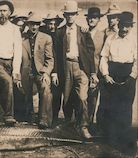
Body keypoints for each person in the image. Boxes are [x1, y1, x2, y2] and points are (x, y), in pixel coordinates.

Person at [53, 0, 98, 139]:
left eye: (73, 14)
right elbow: (55, 53)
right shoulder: (59, 32)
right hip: (66, 66)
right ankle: (69, 123)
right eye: (68, 14)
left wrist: (92, 73)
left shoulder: (83, 31)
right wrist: (54, 71)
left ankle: (83, 126)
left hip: (80, 67)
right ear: (64, 15)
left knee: (82, 97)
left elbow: (90, 53)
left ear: (76, 15)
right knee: (67, 97)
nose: (70, 17)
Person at [99, 12, 137, 156]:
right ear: (118, 25)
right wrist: (106, 74)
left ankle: (125, 141)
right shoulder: (110, 38)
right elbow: (104, 57)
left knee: (125, 108)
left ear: (131, 27)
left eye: (128, 27)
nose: (125, 29)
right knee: (110, 106)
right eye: (123, 26)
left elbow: (137, 60)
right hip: (112, 73)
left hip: (128, 74)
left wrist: (132, 76)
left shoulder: (134, 40)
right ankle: (111, 140)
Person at [21, 14, 54, 129]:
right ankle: (28, 118)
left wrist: (46, 73)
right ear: (28, 25)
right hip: (25, 71)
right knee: (24, 91)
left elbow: (50, 59)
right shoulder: (22, 38)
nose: (34, 27)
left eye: (36, 24)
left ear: (39, 25)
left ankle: (43, 119)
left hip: (40, 72)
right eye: (31, 24)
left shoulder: (46, 38)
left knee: (45, 87)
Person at [84, 7, 105, 130]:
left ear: (99, 20)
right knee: (81, 97)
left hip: (95, 71)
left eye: (94, 18)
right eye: (90, 17)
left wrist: (97, 73)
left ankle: (89, 123)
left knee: (92, 97)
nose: (91, 20)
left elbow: (103, 55)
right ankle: (79, 123)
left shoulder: (103, 35)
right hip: (82, 69)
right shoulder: (82, 32)